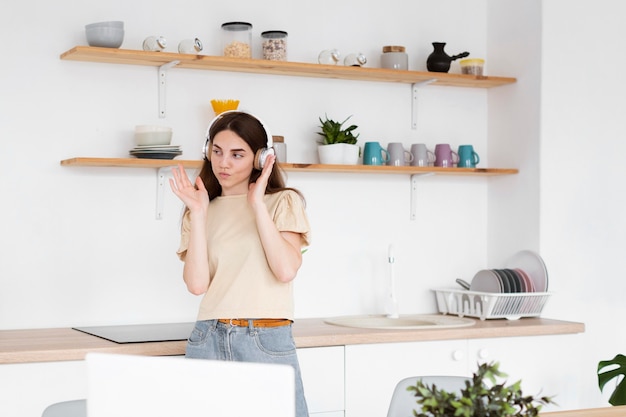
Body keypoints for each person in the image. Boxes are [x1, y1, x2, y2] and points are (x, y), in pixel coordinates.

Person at [169, 111, 311, 417]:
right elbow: (196, 285)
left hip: (264, 339)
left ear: (260, 159)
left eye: (237, 154)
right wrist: (199, 213)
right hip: (208, 338)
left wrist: (257, 203)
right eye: (217, 152)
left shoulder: (282, 201)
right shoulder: (200, 209)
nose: (223, 163)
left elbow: (285, 270)